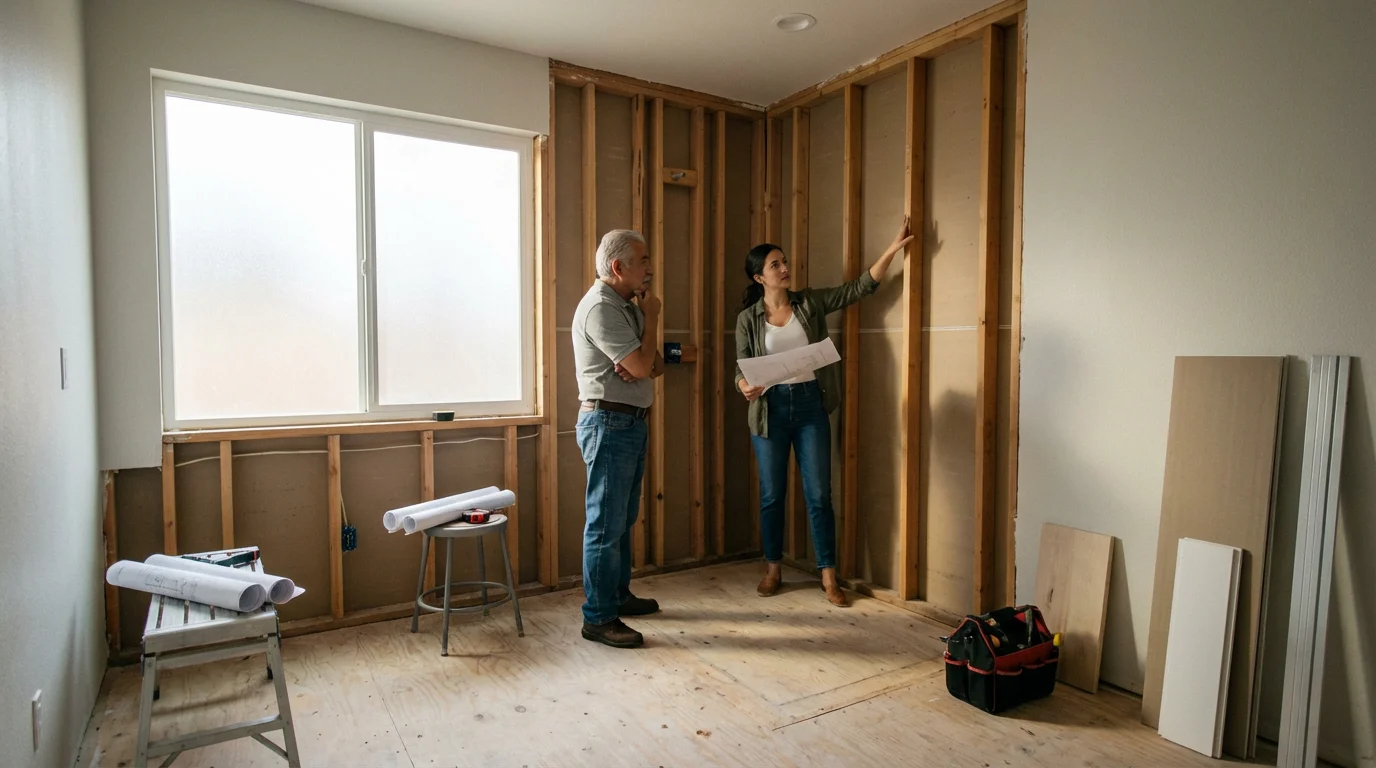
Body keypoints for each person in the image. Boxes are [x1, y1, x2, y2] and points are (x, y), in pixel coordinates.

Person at [734, 217, 914, 607]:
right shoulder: (747, 320)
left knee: (819, 494)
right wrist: (744, 385)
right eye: (775, 265)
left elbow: (858, 288)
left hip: (811, 405)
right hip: (770, 412)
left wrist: (891, 250)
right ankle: (773, 569)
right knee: (772, 495)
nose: (785, 269)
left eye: (784, 262)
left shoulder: (809, 303)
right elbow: (741, 368)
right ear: (759, 277)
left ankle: (828, 575)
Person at [570, 229, 665, 648]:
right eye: (643, 261)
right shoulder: (600, 309)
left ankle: (616, 596)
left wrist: (640, 356)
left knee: (622, 521)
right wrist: (654, 319)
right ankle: (599, 617)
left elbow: (653, 365)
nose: (650, 268)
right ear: (618, 267)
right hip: (609, 423)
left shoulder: (625, 307)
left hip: (628, 422)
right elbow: (643, 366)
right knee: (605, 525)